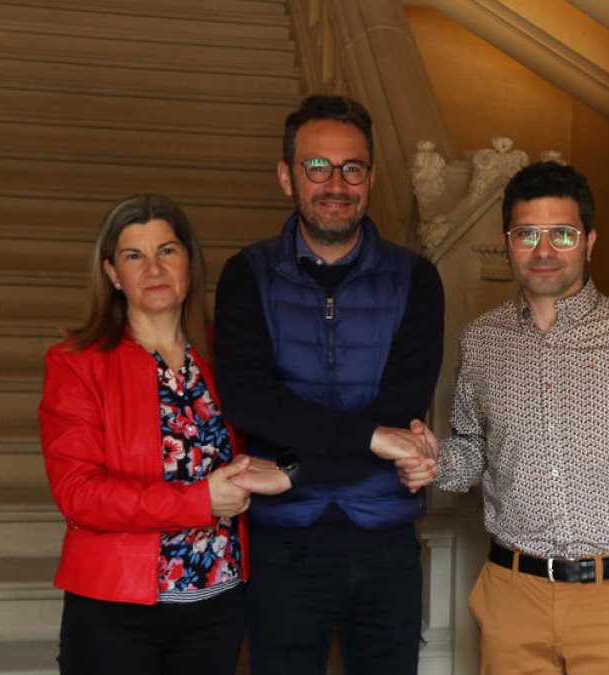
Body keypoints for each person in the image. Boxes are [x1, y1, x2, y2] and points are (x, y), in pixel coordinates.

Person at [405, 161, 609, 674]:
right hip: (511, 599)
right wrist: (434, 461)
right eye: (527, 234)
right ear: (508, 241)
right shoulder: (482, 340)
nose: (543, 251)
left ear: (589, 241)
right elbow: (474, 452)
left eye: (562, 234)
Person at [213, 95, 444, 674]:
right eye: (317, 167)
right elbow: (250, 398)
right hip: (283, 545)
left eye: (352, 168)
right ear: (286, 175)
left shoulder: (415, 278)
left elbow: (402, 406)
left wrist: (291, 465)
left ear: (369, 178)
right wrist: (370, 438)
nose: (335, 184)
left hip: (385, 542)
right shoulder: (248, 274)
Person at [38, 194, 289, 675]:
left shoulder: (226, 354)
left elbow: (282, 427)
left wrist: (286, 470)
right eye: (135, 256)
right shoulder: (77, 364)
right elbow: (79, 495)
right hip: (116, 608)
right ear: (112, 273)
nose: (153, 268)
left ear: (190, 263)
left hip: (218, 602)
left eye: (167, 251)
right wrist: (198, 501)